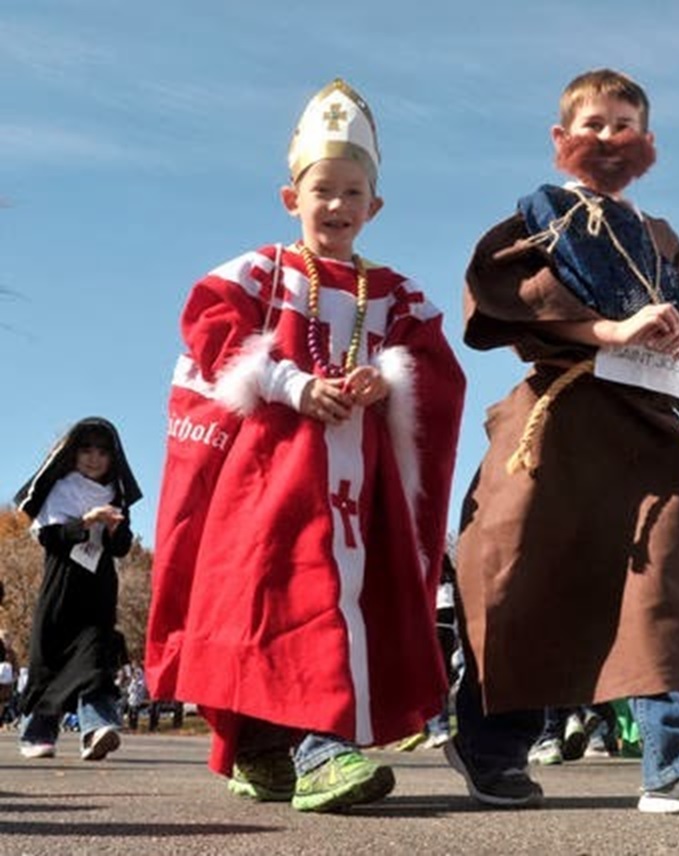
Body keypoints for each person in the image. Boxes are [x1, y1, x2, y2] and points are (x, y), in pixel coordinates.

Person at [447, 68, 679, 816]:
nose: (608, 139)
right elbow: (508, 294)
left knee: (659, 584)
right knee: (529, 588)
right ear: (562, 141)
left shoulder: (662, 240)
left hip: (649, 432)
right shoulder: (542, 219)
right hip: (557, 425)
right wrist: (607, 329)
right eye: (591, 125)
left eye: (624, 125)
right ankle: (490, 744)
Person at [145, 78, 466, 813]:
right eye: (324, 190)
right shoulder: (261, 272)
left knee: (330, 596)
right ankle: (275, 747)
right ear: (293, 197)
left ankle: (319, 746)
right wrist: (290, 384)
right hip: (270, 479)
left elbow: (432, 363)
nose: (338, 206)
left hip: (358, 488)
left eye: (354, 193)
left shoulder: (397, 292)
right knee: (268, 598)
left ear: (374, 206)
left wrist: (385, 380)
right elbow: (211, 325)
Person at [11, 417, 140, 761]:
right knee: (48, 659)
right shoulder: (59, 489)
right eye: (86, 449)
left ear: (114, 458)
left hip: (98, 589)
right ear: (71, 453)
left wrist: (112, 529)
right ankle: (37, 733)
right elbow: (50, 538)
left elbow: (122, 548)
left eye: (102, 451)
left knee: (96, 656)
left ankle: (97, 729)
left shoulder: (116, 494)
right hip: (61, 586)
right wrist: (86, 521)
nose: (94, 458)